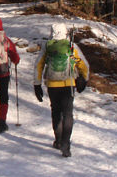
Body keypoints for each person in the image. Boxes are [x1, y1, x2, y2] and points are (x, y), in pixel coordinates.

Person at [33, 23, 89, 157]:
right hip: (68, 85)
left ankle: (58, 140)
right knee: (68, 114)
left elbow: (39, 65)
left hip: (52, 85)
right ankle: (65, 143)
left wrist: (37, 84)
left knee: (56, 111)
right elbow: (83, 64)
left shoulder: (47, 47)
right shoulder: (71, 46)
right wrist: (84, 79)